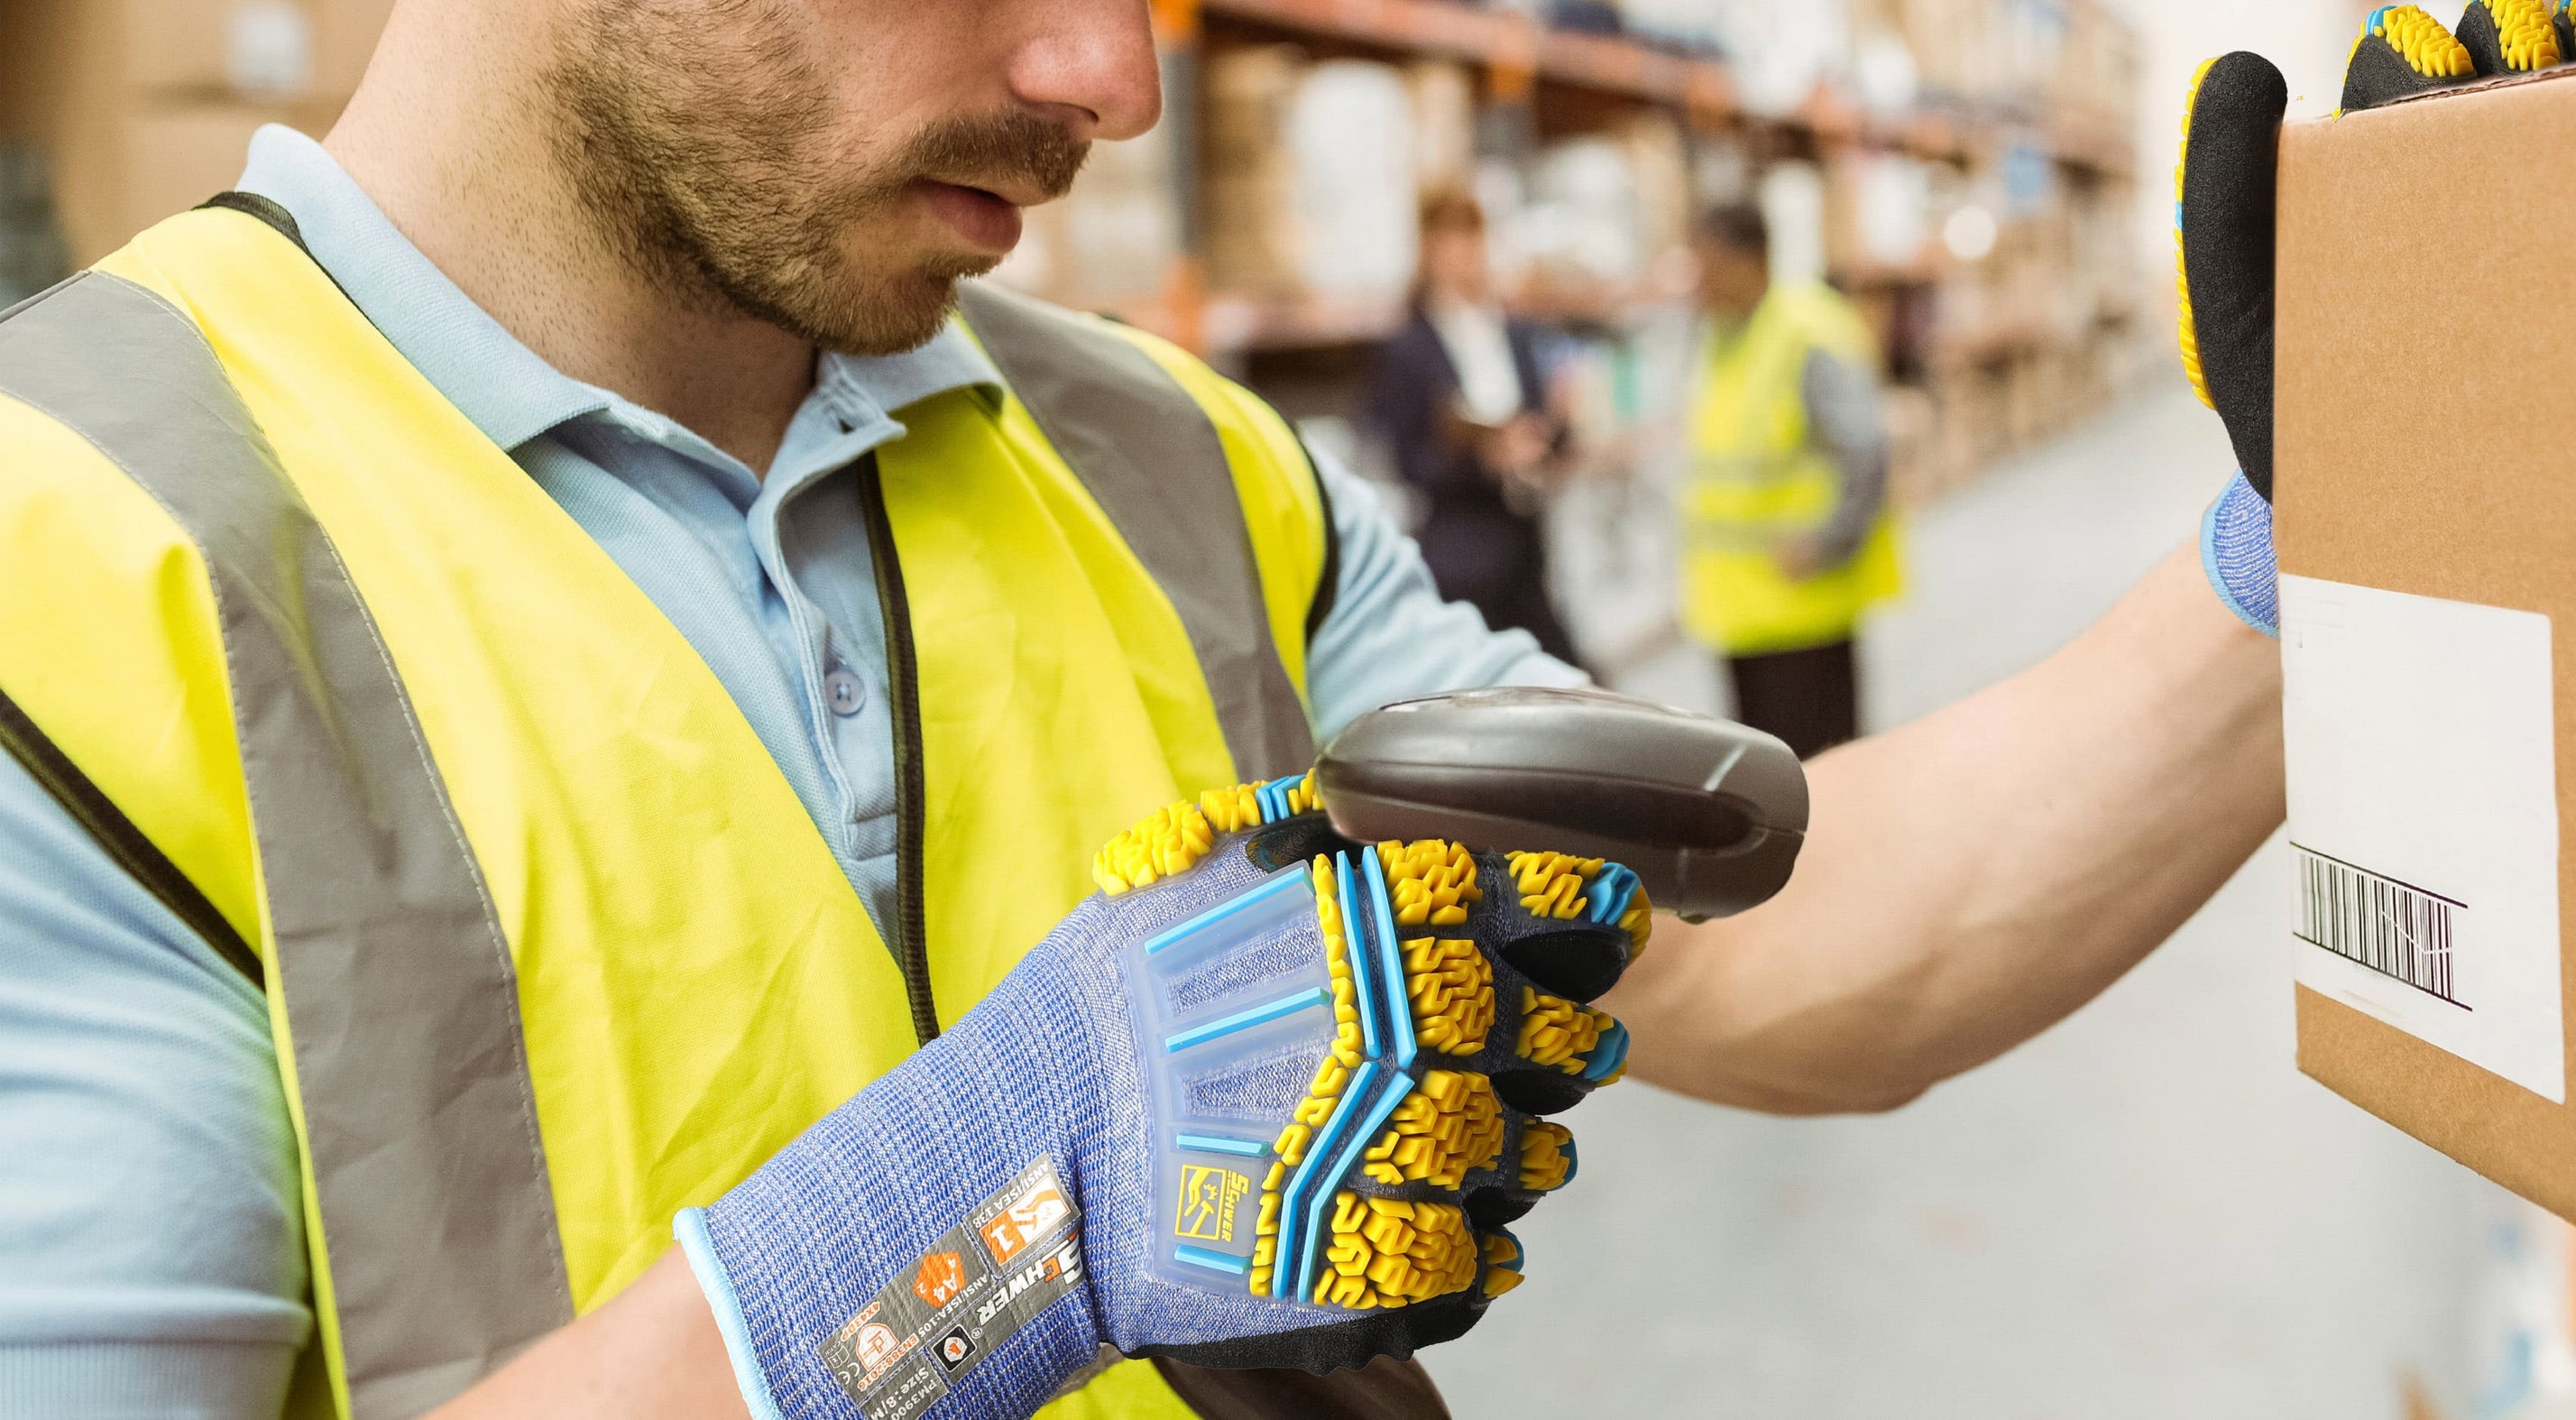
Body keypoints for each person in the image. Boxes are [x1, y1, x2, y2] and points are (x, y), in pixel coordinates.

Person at [0, 0, 2285, 1414]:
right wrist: (959, 1228)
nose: (1112, 70)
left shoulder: (1174, 465)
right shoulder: (72, 551)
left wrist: (2343, 534)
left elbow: (1788, 942)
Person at [1679, 204, 1899, 758]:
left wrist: (1827, 542)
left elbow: (1866, 451)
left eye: (1708, 265)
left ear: (1751, 262)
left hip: (1804, 612)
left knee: (1823, 777)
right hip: (1740, 612)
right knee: (1766, 781)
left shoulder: (1807, 332)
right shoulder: (1722, 337)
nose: (1697, 281)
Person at [1363, 193, 1579, 665]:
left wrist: (1560, 424)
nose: (1462, 255)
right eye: (1448, 242)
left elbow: (1550, 435)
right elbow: (1408, 462)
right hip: (1462, 555)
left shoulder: (1518, 334)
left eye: (1471, 239)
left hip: (1524, 540)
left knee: (1562, 675)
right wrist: (1482, 459)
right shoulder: (1409, 350)